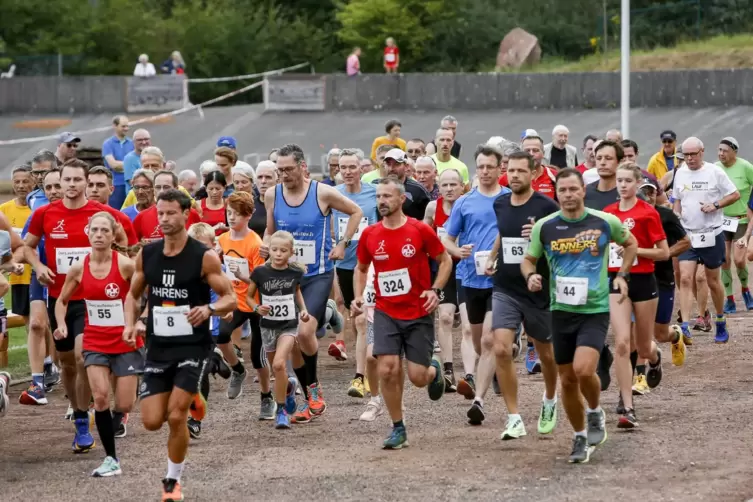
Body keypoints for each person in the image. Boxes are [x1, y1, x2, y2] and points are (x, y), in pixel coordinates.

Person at [123, 189, 234, 501]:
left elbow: (230, 298)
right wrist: (131, 323)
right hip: (159, 345)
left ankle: (172, 482)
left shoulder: (203, 256)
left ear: (186, 214)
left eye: (171, 213)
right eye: (161, 213)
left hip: (193, 345)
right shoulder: (148, 254)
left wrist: (209, 309)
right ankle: (194, 397)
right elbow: (133, 294)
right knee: (151, 421)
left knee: (175, 417)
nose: (165, 219)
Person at [522, 167, 638, 463]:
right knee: (568, 380)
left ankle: (595, 410)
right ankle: (579, 437)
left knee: (584, 370)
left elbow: (631, 244)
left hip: (594, 309)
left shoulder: (604, 222)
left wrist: (622, 275)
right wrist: (531, 276)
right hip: (560, 311)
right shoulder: (545, 227)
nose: (569, 195)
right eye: (563, 190)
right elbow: (528, 259)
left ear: (583, 191)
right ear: (557, 194)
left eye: (574, 189)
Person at [24, 160, 137, 452]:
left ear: (86, 182)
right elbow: (27, 245)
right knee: (67, 365)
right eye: (67, 180)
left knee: (81, 354)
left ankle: (85, 419)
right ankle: (78, 413)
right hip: (61, 298)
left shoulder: (104, 215)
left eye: (77, 180)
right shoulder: (45, 213)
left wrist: (117, 264)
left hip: (94, 300)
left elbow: (128, 243)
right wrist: (38, 266)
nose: (72, 185)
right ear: (59, 183)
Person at [264, 143, 362, 423]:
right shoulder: (273, 195)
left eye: (288, 169)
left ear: (302, 166)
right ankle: (311, 398)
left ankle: (314, 389)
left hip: (317, 275)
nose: (283, 175)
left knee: (305, 333)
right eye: (279, 170)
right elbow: (270, 232)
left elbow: (355, 212)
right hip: (285, 277)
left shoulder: (322, 192)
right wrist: (265, 245)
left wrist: (342, 243)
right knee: (292, 340)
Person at [352, 178, 451, 449]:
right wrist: (358, 297)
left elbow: (445, 261)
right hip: (386, 311)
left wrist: (435, 290)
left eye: (387, 196)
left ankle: (434, 370)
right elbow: (361, 269)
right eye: (379, 196)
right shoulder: (371, 234)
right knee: (387, 368)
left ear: (401, 199)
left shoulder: (419, 230)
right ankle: (398, 427)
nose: (382, 201)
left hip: (418, 312)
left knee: (418, 378)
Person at [53, 211, 141, 477]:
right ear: (87, 234)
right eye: (95, 230)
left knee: (124, 404)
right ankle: (111, 458)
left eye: (105, 231)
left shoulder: (125, 265)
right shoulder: (79, 268)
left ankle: (118, 417)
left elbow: (140, 296)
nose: (99, 235)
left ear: (114, 235)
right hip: (95, 340)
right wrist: (61, 324)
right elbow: (62, 300)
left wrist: (135, 321)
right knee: (101, 397)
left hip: (124, 340)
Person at [485, 150, 560, 439]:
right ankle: (514, 417)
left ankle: (550, 398)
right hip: (505, 286)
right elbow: (504, 234)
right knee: (501, 347)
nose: (514, 175)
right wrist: (492, 256)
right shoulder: (501, 203)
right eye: (510, 170)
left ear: (533, 173)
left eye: (520, 171)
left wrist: (539, 236)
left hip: (537, 288)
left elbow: (560, 240)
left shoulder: (546, 205)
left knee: (547, 355)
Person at [442, 145, 509, 424]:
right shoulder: (464, 202)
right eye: (480, 166)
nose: (484, 171)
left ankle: (479, 402)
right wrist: (457, 252)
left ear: (499, 168)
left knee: (489, 340)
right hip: (471, 278)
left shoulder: (509, 199)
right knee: (482, 344)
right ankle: (492, 368)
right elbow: (447, 238)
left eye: (489, 166)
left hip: (502, 279)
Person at [603, 163, 669, 428]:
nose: (622, 185)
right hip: (617, 280)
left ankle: (654, 358)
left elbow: (663, 253)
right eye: (619, 181)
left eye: (628, 181)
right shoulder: (608, 214)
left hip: (643, 280)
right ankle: (627, 406)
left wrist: (634, 250)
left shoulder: (647, 212)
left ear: (637, 182)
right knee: (621, 342)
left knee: (642, 346)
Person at [674, 137, 740, 345]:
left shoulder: (714, 171)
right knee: (685, 278)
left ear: (702, 152)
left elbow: (735, 194)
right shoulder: (680, 172)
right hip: (688, 234)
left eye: (694, 154)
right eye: (686, 155)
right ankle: (685, 325)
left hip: (712, 233)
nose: (690, 158)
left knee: (712, 281)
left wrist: (716, 204)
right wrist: (676, 213)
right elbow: (677, 199)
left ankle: (720, 319)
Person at [246, 231, 307, 429]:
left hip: (289, 325)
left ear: (291, 252)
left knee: (280, 365)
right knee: (276, 370)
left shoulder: (294, 272)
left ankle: (280, 411)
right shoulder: (260, 272)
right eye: (274, 250)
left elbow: (296, 292)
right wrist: (256, 308)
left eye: (283, 250)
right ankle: (288, 388)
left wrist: (304, 310)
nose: (278, 254)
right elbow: (249, 296)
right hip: (267, 327)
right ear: (269, 250)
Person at [330, 149, 378, 398]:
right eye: (342, 167)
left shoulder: (373, 194)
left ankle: (363, 376)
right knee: (357, 318)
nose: (347, 171)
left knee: (363, 319)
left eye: (352, 167)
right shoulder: (333, 195)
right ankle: (367, 370)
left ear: (362, 169)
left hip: (372, 266)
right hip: (347, 266)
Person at [217, 192, 270, 416]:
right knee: (220, 335)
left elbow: (260, 282)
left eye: (237, 214)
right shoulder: (223, 240)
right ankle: (237, 370)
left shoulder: (255, 244)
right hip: (234, 301)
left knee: (258, 357)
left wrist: (244, 275)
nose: (231, 218)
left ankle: (267, 397)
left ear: (248, 216)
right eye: (229, 213)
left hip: (256, 303)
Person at [18, 167, 62, 406]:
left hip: (72, 280)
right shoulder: (39, 213)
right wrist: (37, 265)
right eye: (49, 187)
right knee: (36, 324)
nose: (54, 191)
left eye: (58, 186)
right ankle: (37, 384)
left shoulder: (86, 213)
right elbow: (26, 246)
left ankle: (74, 385)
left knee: (67, 338)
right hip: (42, 275)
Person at [639, 178, 690, 369]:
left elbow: (686, 242)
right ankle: (641, 373)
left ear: (657, 194)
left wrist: (664, 254)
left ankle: (675, 335)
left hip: (663, 278)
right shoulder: (630, 217)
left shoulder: (666, 215)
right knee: (637, 330)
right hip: (639, 278)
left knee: (660, 334)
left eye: (651, 192)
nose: (648, 196)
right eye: (644, 192)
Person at [424, 168, 467, 392]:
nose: (449, 189)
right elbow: (423, 231)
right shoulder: (433, 207)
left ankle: (473, 371)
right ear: (439, 188)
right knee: (445, 318)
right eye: (445, 185)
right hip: (443, 268)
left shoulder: (469, 205)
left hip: (468, 268)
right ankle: (448, 370)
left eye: (453, 185)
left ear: (462, 186)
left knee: (471, 325)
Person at [714, 137, 753, 313]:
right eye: (719, 150)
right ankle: (729, 299)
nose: (721, 153)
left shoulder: (745, 167)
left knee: (738, 260)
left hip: (742, 219)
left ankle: (745, 290)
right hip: (721, 220)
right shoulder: (714, 168)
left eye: (725, 150)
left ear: (734, 152)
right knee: (724, 260)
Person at [1, 166, 33, 326]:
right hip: (18, 277)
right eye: (17, 182)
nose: (21, 185)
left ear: (33, 182)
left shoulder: (38, 207)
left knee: (44, 322)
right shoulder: (4, 210)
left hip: (38, 275)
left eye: (25, 181)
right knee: (29, 322)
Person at [133, 171, 201, 243]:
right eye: (158, 187)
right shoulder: (141, 217)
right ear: (153, 189)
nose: (161, 191)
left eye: (166, 187)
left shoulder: (191, 214)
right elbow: (133, 248)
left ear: (176, 188)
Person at [102, 115, 133, 210]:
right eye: (123, 126)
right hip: (115, 185)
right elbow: (113, 165)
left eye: (127, 126)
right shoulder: (108, 144)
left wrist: (122, 166)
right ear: (115, 126)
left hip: (130, 185)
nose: (126, 129)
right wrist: (130, 165)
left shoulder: (132, 143)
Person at [249, 161, 276, 238]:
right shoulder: (250, 205)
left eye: (268, 177)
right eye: (260, 177)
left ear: (277, 180)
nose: (263, 181)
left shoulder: (285, 204)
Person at [200, 171, 228, 236]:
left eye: (218, 189)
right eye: (211, 189)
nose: (214, 192)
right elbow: (193, 232)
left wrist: (227, 228)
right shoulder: (198, 206)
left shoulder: (230, 205)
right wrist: (214, 228)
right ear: (206, 188)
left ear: (224, 188)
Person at [122, 129, 151, 193]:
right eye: (140, 140)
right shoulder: (129, 158)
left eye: (146, 139)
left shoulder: (153, 156)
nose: (144, 142)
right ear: (133, 142)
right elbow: (132, 183)